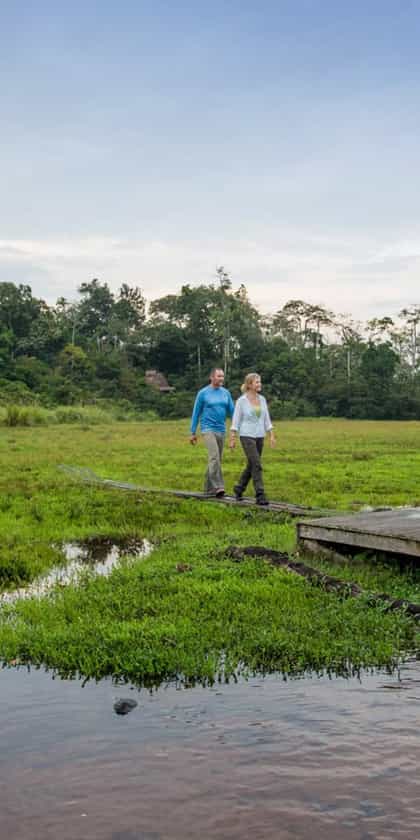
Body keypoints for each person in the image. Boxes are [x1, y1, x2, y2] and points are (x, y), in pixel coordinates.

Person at [229, 372, 275, 506]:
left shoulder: (262, 399)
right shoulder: (241, 401)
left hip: (260, 435)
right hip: (246, 435)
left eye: (260, 382)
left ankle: (239, 488)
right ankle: (260, 495)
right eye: (257, 382)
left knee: (251, 465)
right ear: (249, 385)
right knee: (257, 464)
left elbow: (267, 419)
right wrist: (232, 438)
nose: (259, 384)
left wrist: (271, 434)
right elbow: (235, 421)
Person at [190, 368, 235, 496]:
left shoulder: (226, 393)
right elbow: (196, 413)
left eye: (222, 376)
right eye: (219, 376)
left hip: (221, 429)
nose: (221, 378)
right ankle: (218, 487)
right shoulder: (203, 393)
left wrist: (237, 427)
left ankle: (208, 489)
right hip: (207, 428)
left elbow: (233, 412)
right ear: (212, 377)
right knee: (214, 457)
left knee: (216, 460)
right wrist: (192, 432)